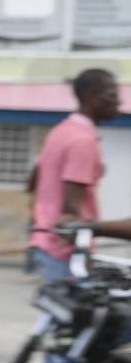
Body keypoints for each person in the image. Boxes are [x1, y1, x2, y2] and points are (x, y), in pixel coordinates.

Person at [27, 68, 121, 284]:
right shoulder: (83, 141)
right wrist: (82, 253)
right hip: (65, 249)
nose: (119, 102)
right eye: (112, 95)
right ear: (92, 98)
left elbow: (33, 180)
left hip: (44, 241)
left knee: (57, 314)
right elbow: (71, 209)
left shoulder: (61, 131)